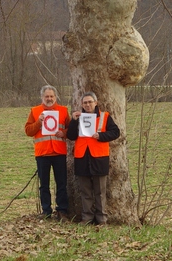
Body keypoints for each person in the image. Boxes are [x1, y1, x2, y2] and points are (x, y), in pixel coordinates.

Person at [67, 91, 120, 225]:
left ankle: (102, 219)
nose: (88, 104)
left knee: (100, 191)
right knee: (85, 191)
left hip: (99, 158)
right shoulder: (78, 117)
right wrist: (73, 121)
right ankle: (87, 218)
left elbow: (115, 132)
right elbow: (71, 136)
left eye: (90, 102)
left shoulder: (105, 116)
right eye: (85, 102)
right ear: (82, 104)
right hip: (82, 157)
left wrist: (101, 136)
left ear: (96, 103)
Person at [25, 85, 70, 221]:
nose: (49, 99)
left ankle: (62, 211)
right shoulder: (35, 111)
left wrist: (64, 133)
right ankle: (46, 211)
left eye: (51, 96)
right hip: (42, 153)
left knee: (61, 183)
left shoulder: (63, 111)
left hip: (59, 152)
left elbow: (71, 129)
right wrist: (39, 122)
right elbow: (28, 131)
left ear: (55, 97)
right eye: (47, 96)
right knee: (44, 184)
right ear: (42, 97)